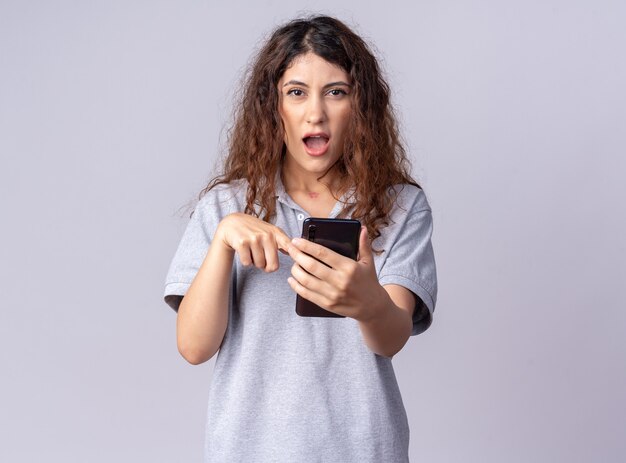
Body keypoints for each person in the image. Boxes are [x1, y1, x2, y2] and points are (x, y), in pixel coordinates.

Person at [163, 15, 438, 463]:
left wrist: (368, 302)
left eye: (337, 91)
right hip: (247, 452)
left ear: (361, 105)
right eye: (296, 92)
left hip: (364, 449)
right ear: (274, 108)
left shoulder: (402, 205)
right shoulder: (224, 205)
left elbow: (391, 339)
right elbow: (194, 347)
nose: (316, 112)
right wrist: (223, 240)